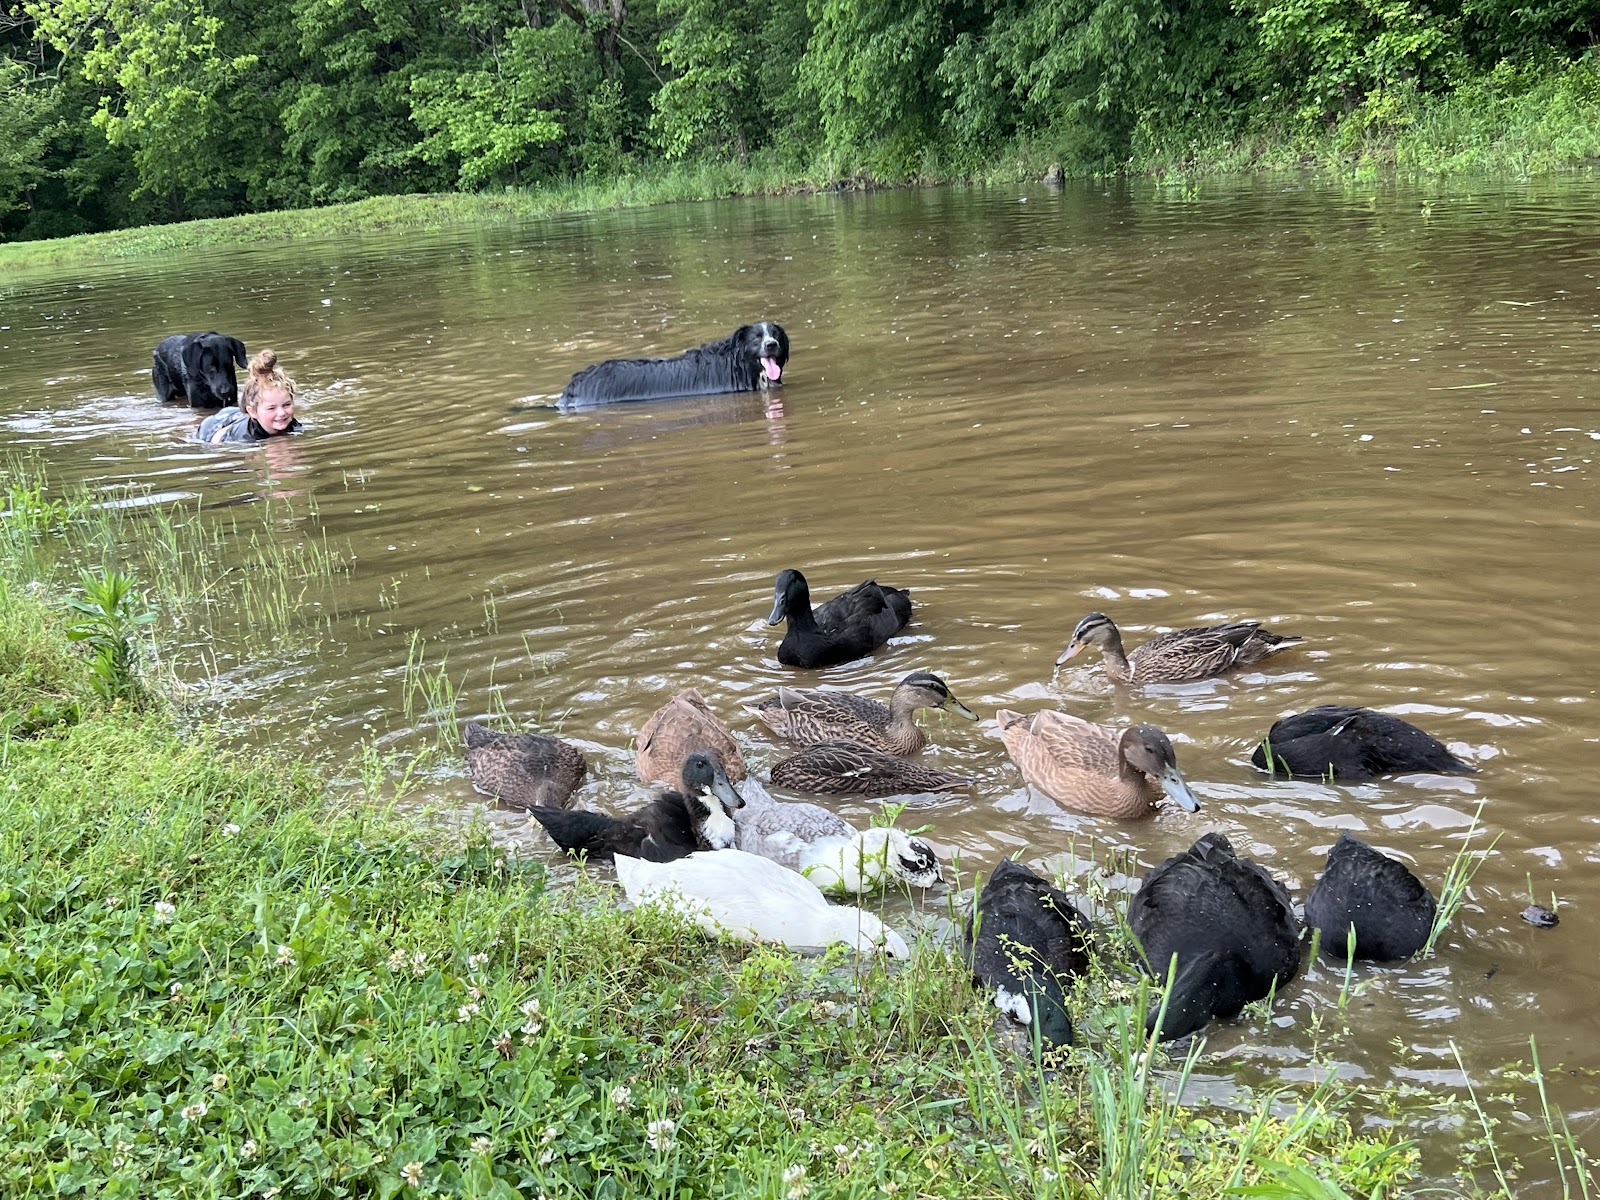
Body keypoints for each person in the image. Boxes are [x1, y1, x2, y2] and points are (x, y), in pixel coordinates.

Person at [196, 349, 303, 444]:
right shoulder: (244, 439)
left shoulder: (292, 424)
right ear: (253, 412)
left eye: (286, 405)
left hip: (239, 415)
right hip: (214, 425)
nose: (282, 413)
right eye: (271, 408)